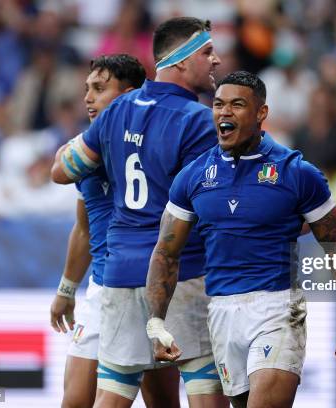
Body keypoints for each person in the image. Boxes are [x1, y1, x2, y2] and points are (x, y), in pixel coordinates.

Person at [145, 71, 336, 408]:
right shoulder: (193, 176)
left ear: (261, 113)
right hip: (221, 311)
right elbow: (165, 252)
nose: (225, 113)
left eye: (237, 105)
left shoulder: (297, 172)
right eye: (219, 104)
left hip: (277, 308)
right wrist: (156, 323)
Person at [51, 17, 228, 408]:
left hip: (117, 274)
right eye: (207, 53)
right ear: (181, 61)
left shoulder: (117, 112)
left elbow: (61, 171)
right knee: (202, 386)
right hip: (179, 274)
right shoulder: (199, 121)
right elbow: (214, 207)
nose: (215, 61)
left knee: (112, 392)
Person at [49, 54, 180, 408]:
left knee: (162, 402)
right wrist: (66, 288)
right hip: (101, 289)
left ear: (131, 94)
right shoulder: (87, 147)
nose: (88, 98)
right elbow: (84, 227)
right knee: (75, 401)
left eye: (99, 88)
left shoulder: (160, 144)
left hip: (148, 284)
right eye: (87, 89)